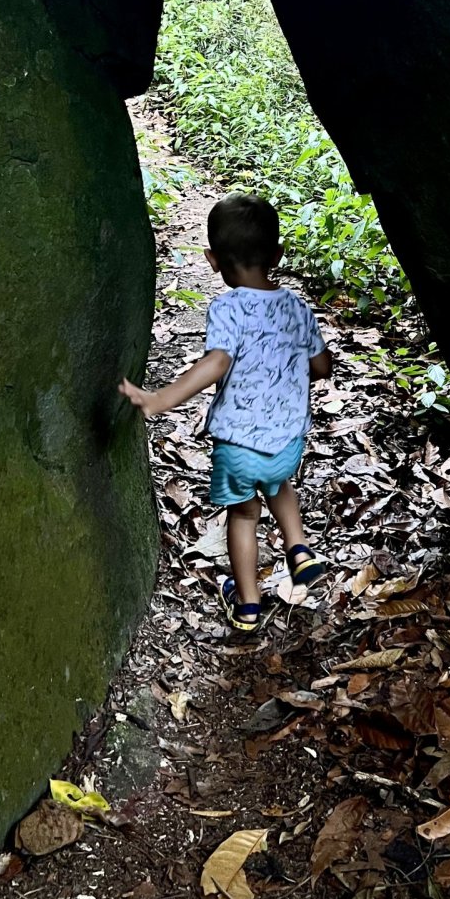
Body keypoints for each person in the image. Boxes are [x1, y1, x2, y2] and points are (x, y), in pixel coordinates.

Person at [119, 193, 332, 634]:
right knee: (279, 483)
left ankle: (248, 604)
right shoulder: (297, 307)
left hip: (237, 444)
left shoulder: (227, 308)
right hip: (286, 441)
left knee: (244, 515)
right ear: (277, 255)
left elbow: (217, 362)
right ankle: (298, 547)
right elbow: (321, 366)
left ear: (212, 261)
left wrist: (162, 398)